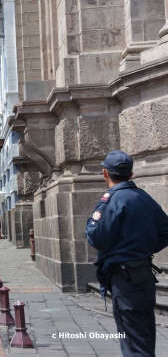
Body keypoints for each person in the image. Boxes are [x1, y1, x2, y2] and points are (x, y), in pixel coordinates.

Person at [85, 150, 168, 356]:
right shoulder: (144, 197)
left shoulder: (111, 200)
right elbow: (165, 232)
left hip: (125, 279)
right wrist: (144, 249)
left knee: (133, 343)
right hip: (143, 274)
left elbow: (97, 239)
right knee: (144, 336)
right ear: (131, 174)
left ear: (105, 173)